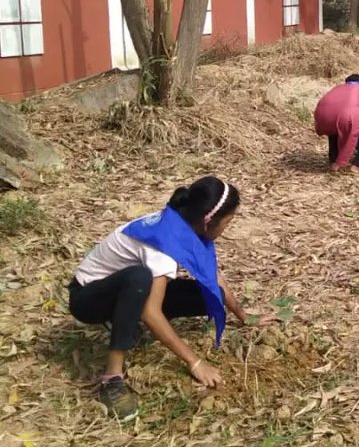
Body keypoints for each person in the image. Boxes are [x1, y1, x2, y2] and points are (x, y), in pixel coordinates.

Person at [69, 176, 246, 420]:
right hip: (88, 299)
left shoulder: (185, 224)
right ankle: (112, 379)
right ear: (209, 221)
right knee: (139, 279)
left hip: (123, 290)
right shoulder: (162, 245)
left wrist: (244, 316)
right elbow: (150, 312)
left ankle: (128, 319)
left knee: (209, 297)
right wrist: (195, 363)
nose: (227, 228)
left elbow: (212, 275)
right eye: (228, 222)